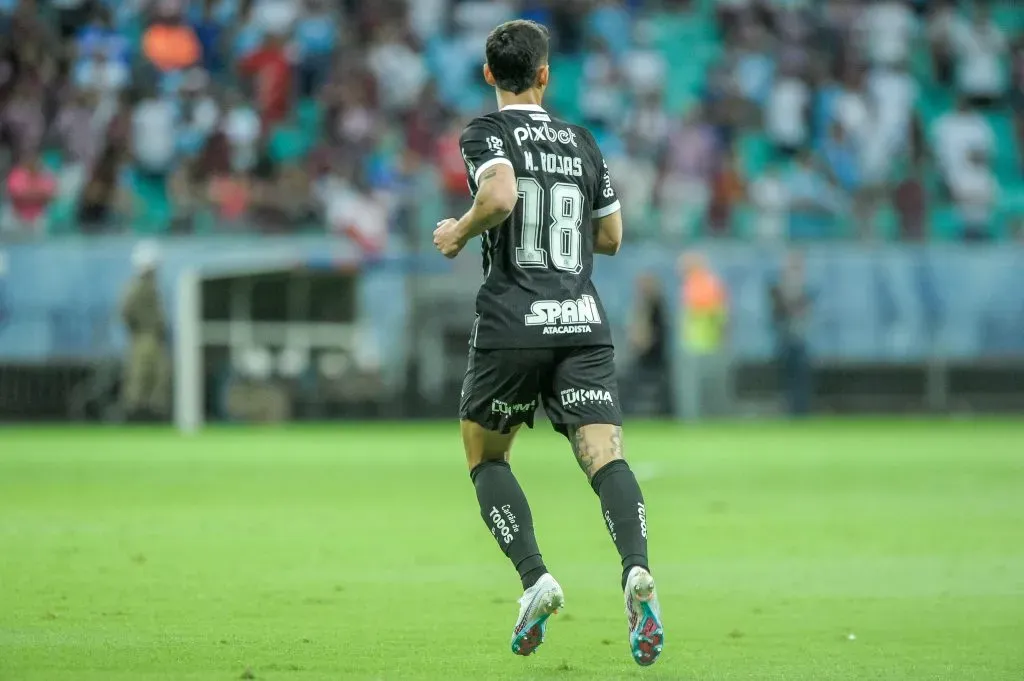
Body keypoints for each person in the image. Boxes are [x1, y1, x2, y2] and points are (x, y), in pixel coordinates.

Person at [431, 20, 663, 666]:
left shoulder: (485, 132)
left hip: (513, 321)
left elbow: (501, 193)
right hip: (581, 320)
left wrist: (459, 230)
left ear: (487, 75)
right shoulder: (581, 141)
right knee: (604, 456)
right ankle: (635, 569)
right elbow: (612, 236)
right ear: (544, 75)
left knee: (486, 456)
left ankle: (536, 576)